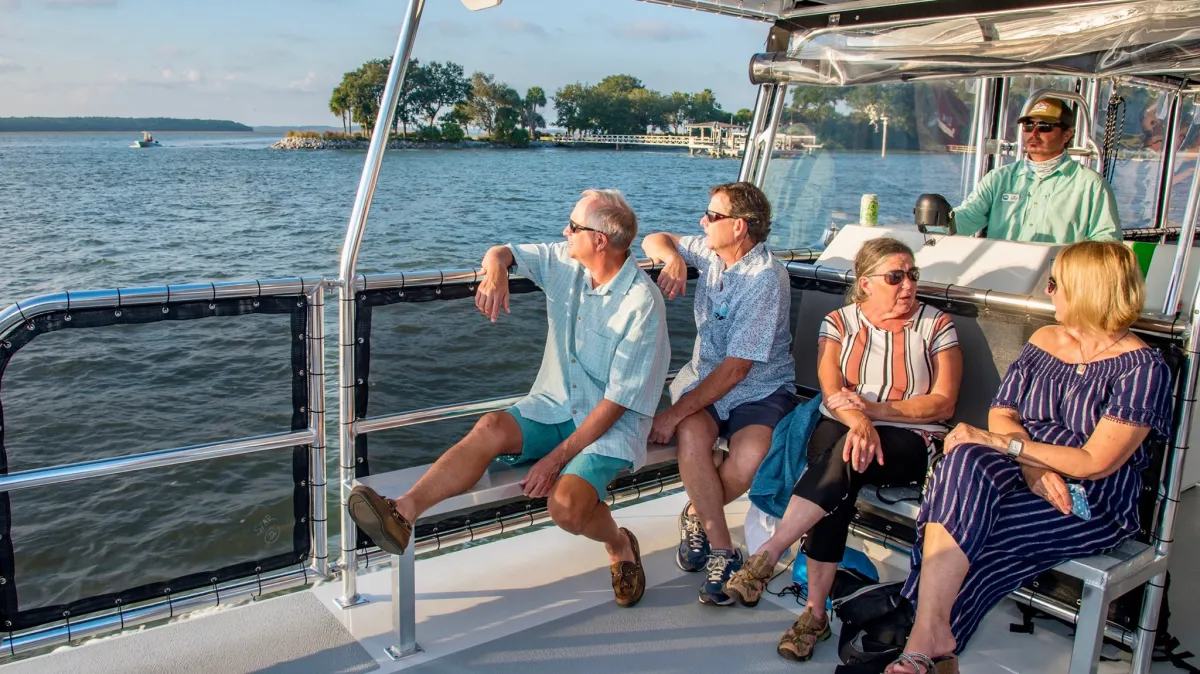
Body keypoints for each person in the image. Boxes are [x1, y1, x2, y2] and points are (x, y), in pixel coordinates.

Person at [346, 189, 671, 608]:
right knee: (491, 426)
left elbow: (618, 402)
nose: (564, 231)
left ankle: (619, 543)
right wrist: (496, 268)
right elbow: (503, 250)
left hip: (609, 423)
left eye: (573, 227)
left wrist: (555, 460)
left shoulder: (642, 303)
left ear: (599, 241)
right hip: (555, 404)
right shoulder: (567, 261)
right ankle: (403, 512)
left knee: (567, 508)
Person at [886, 240, 1171, 674]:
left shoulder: (1142, 369)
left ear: (1088, 291)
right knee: (963, 462)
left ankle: (925, 644)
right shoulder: (1045, 339)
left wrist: (1009, 447)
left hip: (1087, 498)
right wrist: (1029, 464)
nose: (1048, 292)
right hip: (1024, 472)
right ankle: (930, 638)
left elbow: (1097, 460)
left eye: (1055, 283)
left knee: (980, 531)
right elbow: (1003, 413)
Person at [719, 237, 961, 662]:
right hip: (844, 423)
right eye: (895, 277)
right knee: (841, 472)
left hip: (912, 433)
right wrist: (861, 421)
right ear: (865, 283)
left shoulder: (936, 325)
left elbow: (944, 402)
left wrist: (874, 409)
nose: (908, 285)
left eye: (912, 275)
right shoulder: (839, 322)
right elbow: (832, 392)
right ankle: (812, 608)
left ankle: (778, 565)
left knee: (841, 466)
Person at [641, 182, 797, 605]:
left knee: (748, 460)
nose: (702, 221)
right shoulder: (712, 252)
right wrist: (672, 256)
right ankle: (724, 550)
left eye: (712, 216)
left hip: (758, 388)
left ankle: (696, 513)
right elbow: (654, 238)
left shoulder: (766, 279)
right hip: (703, 378)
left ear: (739, 227)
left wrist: (671, 415)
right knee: (694, 437)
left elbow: (736, 370)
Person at [953, 96, 1121, 243]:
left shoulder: (1091, 184)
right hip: (1003, 274)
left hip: (1057, 278)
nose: (1034, 132)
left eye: (1045, 126)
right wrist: (936, 221)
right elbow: (968, 217)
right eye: (1028, 125)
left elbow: (1107, 241)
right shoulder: (998, 178)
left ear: (1068, 134)